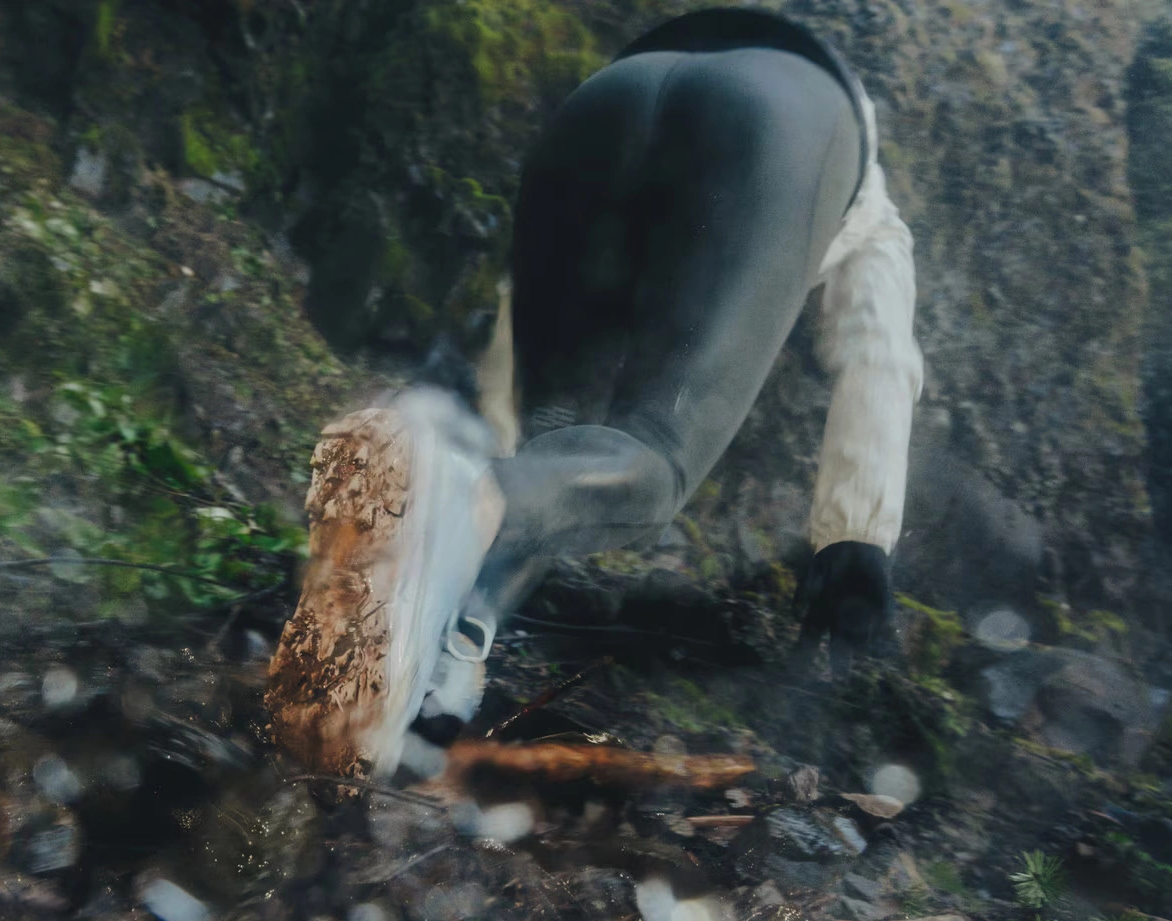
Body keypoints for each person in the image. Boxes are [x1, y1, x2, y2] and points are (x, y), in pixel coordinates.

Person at [267, 6, 923, 782]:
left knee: (555, 453)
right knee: (652, 460)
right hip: (778, 118)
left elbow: (529, 405)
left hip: (605, 100)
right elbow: (880, 354)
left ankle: (432, 661)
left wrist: (486, 471)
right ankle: (442, 524)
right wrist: (856, 541)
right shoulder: (868, 199)